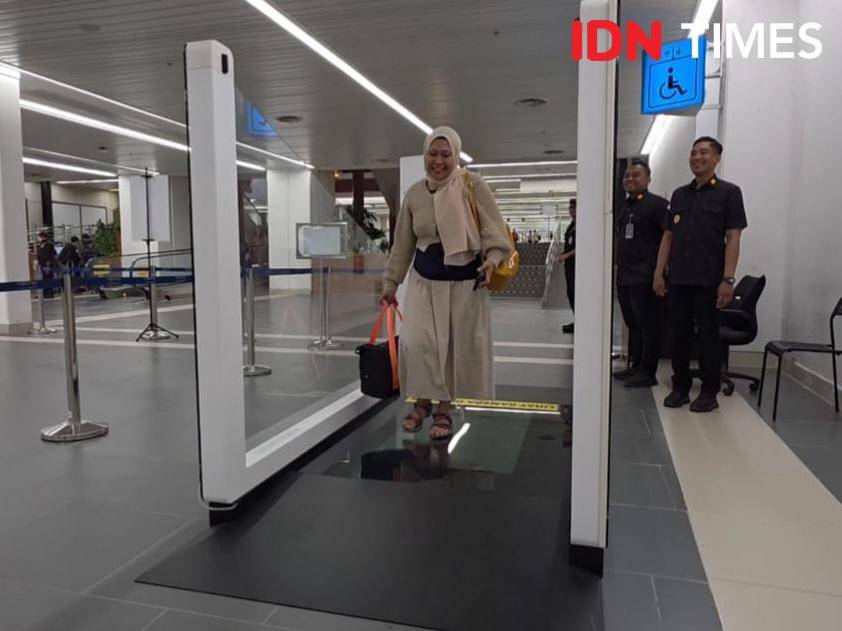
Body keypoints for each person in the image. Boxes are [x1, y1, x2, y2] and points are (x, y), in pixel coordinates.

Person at [380, 126, 512, 440]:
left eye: (446, 154)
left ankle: (443, 409)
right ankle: (421, 402)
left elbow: (495, 231)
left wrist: (492, 261)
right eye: (433, 154)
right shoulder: (414, 193)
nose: (438, 161)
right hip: (424, 282)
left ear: (455, 155)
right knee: (419, 343)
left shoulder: (471, 184)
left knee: (451, 349)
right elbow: (403, 243)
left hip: (464, 284)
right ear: (425, 154)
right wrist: (390, 283)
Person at [654, 137, 748, 412]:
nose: (697, 157)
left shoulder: (729, 193)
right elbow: (668, 238)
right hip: (679, 278)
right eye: (693, 152)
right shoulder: (679, 194)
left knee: (708, 337)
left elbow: (733, 237)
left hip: (710, 279)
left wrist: (728, 279)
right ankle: (680, 386)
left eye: (704, 152)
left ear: (716, 158)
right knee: (678, 335)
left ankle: (709, 391)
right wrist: (659, 272)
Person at [614, 159, 669, 388]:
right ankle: (635, 366)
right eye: (627, 176)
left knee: (648, 325)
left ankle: (648, 371)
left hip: (646, 275)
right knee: (633, 323)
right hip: (626, 274)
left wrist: (660, 272)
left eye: (636, 176)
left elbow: (668, 238)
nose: (630, 179)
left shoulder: (658, 205)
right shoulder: (625, 207)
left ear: (647, 179)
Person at [558, 198, 576, 333]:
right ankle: (577, 318)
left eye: (574, 208)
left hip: (577, 266)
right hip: (569, 267)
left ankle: (581, 320)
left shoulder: (583, 225)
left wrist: (567, 255)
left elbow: (582, 245)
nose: (572, 210)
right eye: (570, 208)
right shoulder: (571, 225)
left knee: (576, 293)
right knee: (571, 293)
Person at [35, 230, 58, 298]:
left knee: (49, 278)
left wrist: (48, 264)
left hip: (47, 264)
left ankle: (49, 293)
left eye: (39, 237)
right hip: (42, 263)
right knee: (44, 278)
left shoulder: (48, 244)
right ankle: (45, 293)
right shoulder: (41, 244)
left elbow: (50, 255)